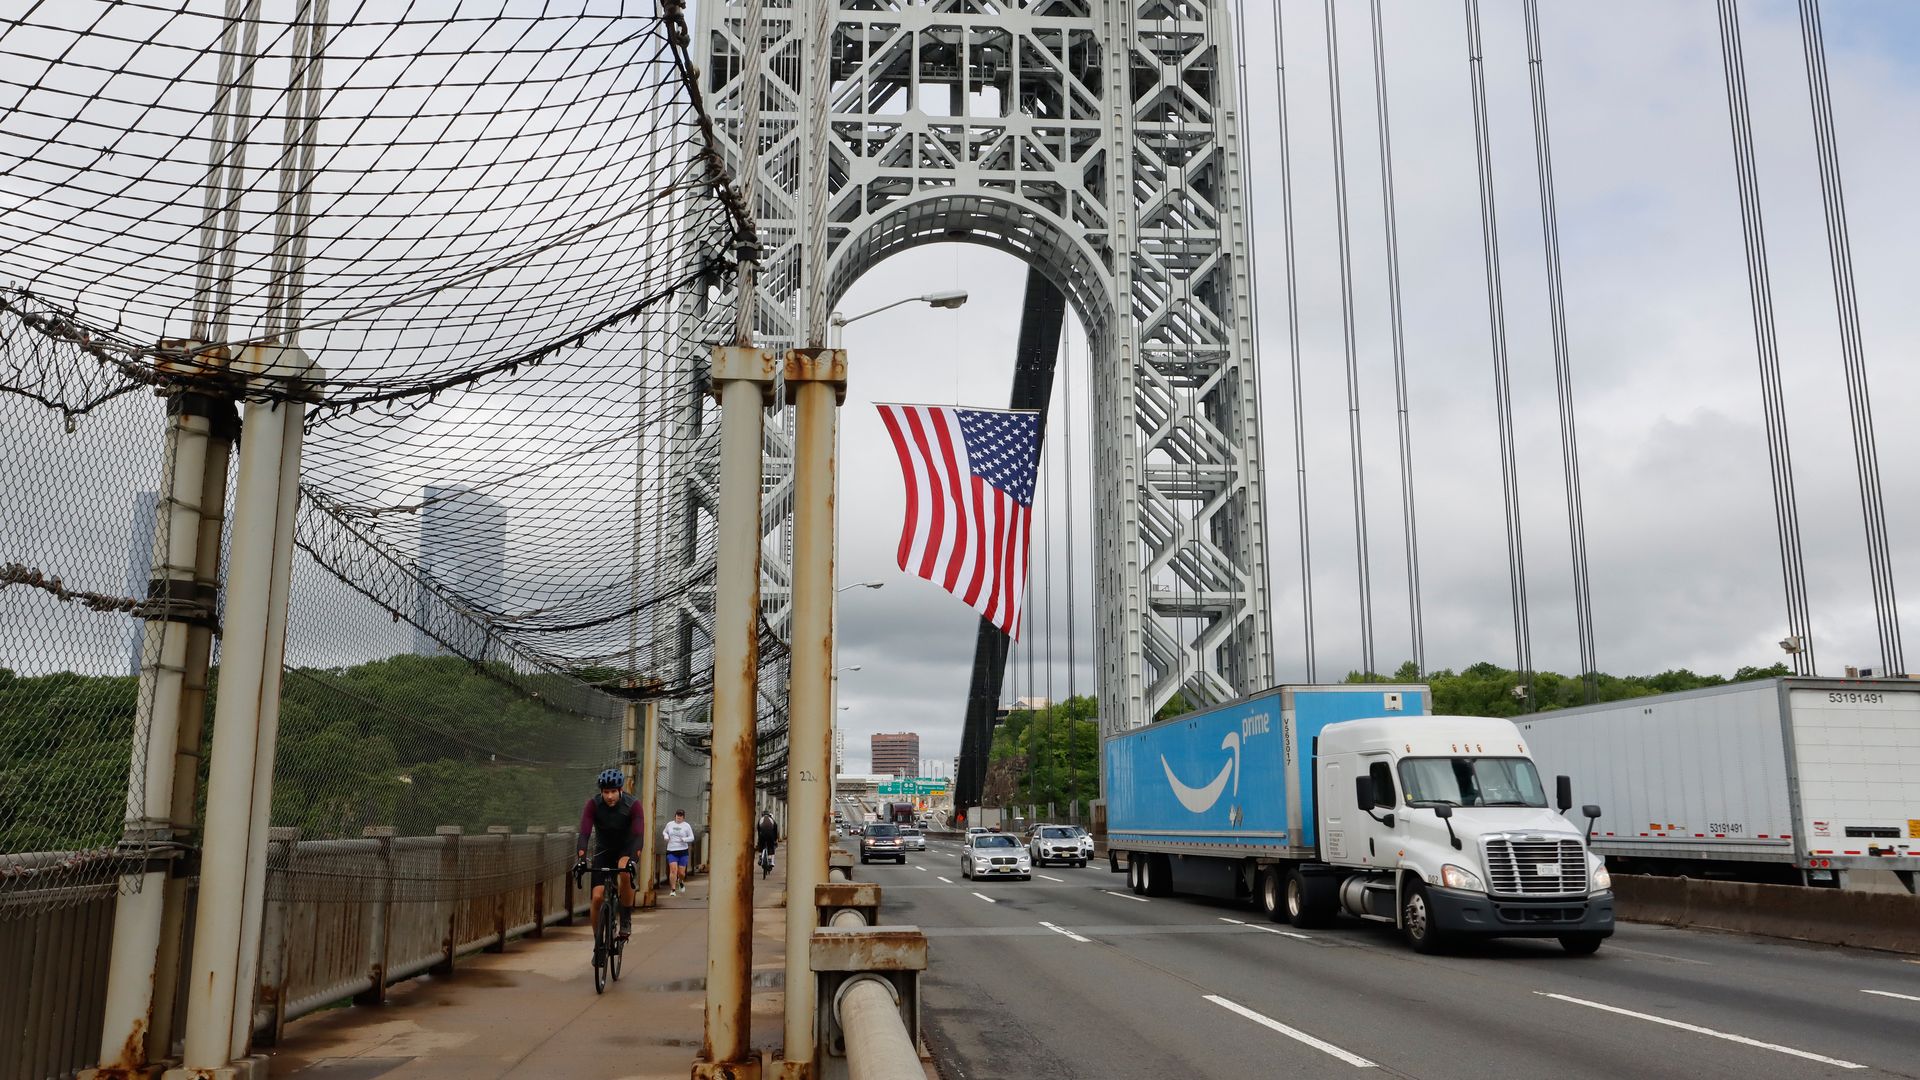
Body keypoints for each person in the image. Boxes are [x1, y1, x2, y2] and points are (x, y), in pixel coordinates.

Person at [576, 769, 642, 948]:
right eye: (606, 792)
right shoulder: (593, 805)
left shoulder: (633, 805)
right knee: (597, 897)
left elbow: (638, 835)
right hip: (603, 850)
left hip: (626, 848)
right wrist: (581, 858)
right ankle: (599, 943)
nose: (610, 796)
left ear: (620, 790)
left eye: (613, 791)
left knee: (624, 873)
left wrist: (633, 860)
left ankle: (626, 918)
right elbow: (584, 833)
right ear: (601, 792)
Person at [662, 808, 696, 896]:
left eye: (681, 816)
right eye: (677, 815)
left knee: (681, 873)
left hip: (683, 851)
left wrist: (684, 839)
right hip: (672, 850)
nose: (679, 817)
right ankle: (673, 890)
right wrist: (666, 836)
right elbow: (664, 832)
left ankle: (680, 881)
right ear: (675, 816)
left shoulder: (686, 826)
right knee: (673, 870)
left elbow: (692, 837)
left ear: (683, 817)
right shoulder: (670, 824)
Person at [755, 811, 778, 878]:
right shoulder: (772, 820)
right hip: (770, 835)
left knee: (761, 844)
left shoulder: (761, 819)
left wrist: (759, 841)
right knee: (771, 846)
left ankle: (760, 857)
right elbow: (775, 831)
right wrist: (775, 840)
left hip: (762, 835)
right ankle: (770, 860)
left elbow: (759, 831)